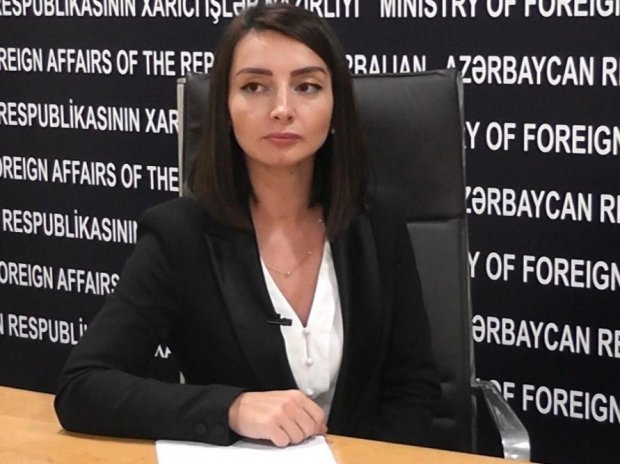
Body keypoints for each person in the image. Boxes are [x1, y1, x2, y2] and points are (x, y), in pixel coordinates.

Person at [54, 3, 440, 448]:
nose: (282, 109)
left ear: (336, 108)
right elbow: (82, 387)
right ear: (225, 107)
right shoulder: (179, 236)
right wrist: (231, 408)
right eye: (255, 86)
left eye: (307, 87)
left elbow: (413, 388)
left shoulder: (377, 222)